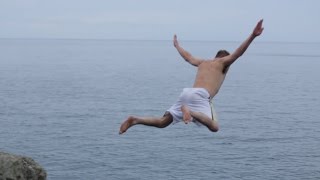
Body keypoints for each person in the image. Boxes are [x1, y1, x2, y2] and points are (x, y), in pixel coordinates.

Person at [119, 19, 264, 134]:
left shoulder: (203, 62)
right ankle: (191, 112)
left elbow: (188, 57)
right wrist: (253, 35)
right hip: (200, 96)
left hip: (186, 93)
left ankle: (135, 120)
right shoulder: (223, 63)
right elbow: (238, 53)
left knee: (163, 123)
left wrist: (177, 46)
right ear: (225, 59)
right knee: (214, 127)